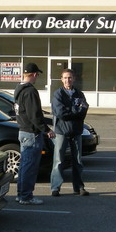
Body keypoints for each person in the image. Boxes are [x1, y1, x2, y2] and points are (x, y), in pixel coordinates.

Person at [14, 63, 55, 205]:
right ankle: (26, 196)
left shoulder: (19, 89)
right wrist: (47, 130)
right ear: (35, 74)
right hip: (31, 134)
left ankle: (21, 194)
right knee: (30, 167)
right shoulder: (30, 91)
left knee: (24, 166)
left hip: (23, 131)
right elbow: (35, 115)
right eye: (37, 75)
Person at [50, 68, 90, 196]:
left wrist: (73, 111)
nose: (68, 80)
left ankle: (79, 187)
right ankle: (55, 187)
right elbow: (60, 113)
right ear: (61, 79)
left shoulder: (79, 93)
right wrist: (76, 110)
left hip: (76, 131)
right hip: (61, 131)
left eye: (70, 77)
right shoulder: (58, 94)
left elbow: (84, 109)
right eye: (65, 78)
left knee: (77, 160)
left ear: (74, 79)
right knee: (59, 160)